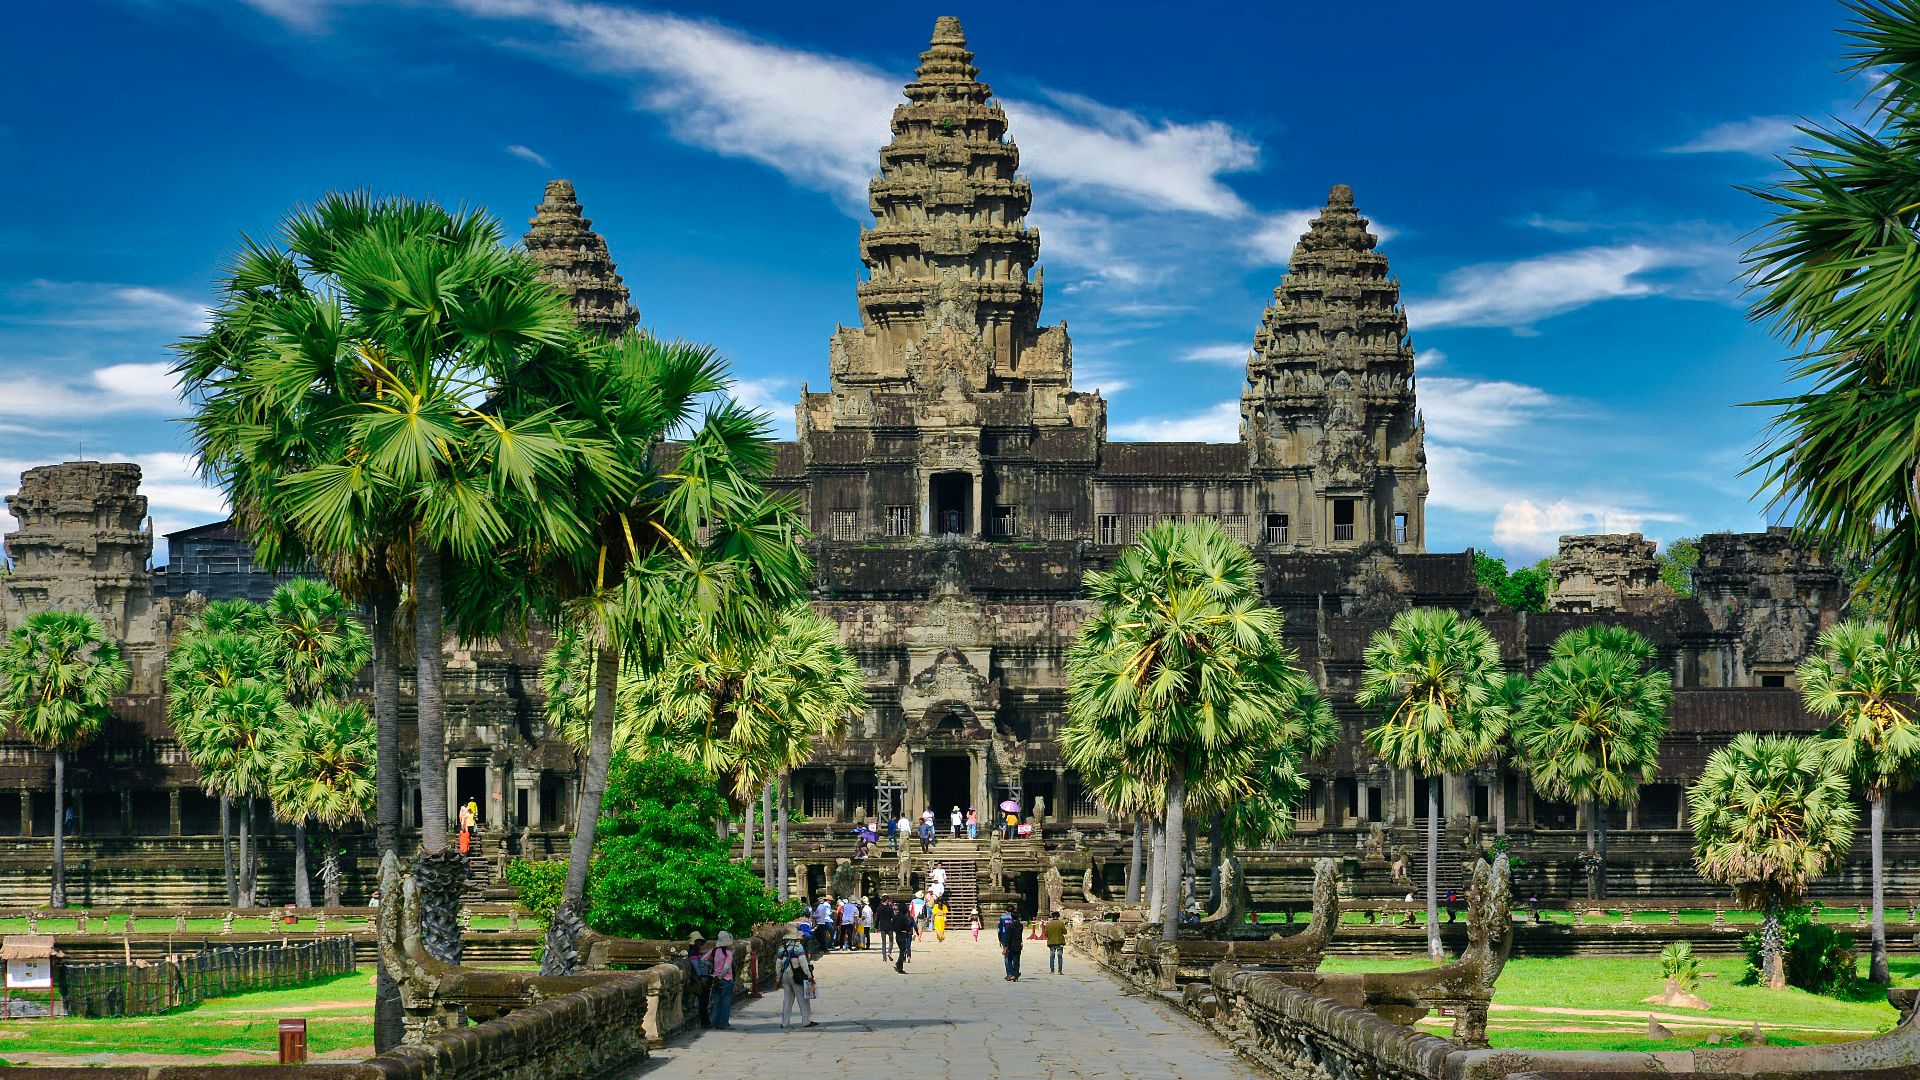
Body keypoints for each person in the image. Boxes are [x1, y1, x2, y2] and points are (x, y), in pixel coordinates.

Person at [777, 925, 817, 1030]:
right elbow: (803, 963)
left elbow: (778, 964)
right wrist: (809, 975)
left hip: (785, 974)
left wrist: (777, 979)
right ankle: (806, 1021)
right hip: (797, 975)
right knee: (803, 999)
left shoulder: (782, 948)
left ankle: (784, 1022)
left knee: (787, 1000)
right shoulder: (798, 947)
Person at [704, 931, 737, 1029]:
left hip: (715, 979)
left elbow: (703, 960)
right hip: (726, 979)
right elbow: (727, 967)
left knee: (717, 1002)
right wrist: (721, 976)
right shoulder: (728, 953)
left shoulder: (714, 951)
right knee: (726, 1003)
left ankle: (715, 1023)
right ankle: (723, 1024)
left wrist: (714, 972)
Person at [687, 931, 713, 1029]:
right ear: (694, 942)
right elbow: (696, 968)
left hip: (704, 977)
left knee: (704, 1002)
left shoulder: (696, 952)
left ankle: (705, 1021)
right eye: (699, 942)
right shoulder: (693, 953)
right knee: (703, 1003)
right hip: (701, 979)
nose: (700, 944)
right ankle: (705, 1022)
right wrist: (702, 978)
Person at [999, 911, 1024, 981]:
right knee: (1017, 961)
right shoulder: (1020, 925)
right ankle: (1015, 974)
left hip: (1011, 945)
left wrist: (1005, 947)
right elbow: (1020, 935)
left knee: (1009, 960)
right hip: (1018, 944)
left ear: (1012, 917)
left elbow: (1008, 937)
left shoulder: (1009, 926)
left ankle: (1012, 974)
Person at [893, 897, 915, 973]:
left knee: (901, 951)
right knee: (903, 952)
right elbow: (907, 926)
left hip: (897, 935)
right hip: (903, 934)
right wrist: (911, 924)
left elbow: (893, 926)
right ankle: (899, 965)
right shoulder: (904, 917)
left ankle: (899, 966)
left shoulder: (895, 917)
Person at [877, 897, 895, 962]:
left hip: (882, 927)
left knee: (883, 943)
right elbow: (893, 918)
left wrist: (876, 927)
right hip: (889, 926)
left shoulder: (879, 908)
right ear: (887, 900)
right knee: (891, 941)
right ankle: (889, 952)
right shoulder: (890, 908)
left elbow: (877, 919)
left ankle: (884, 958)